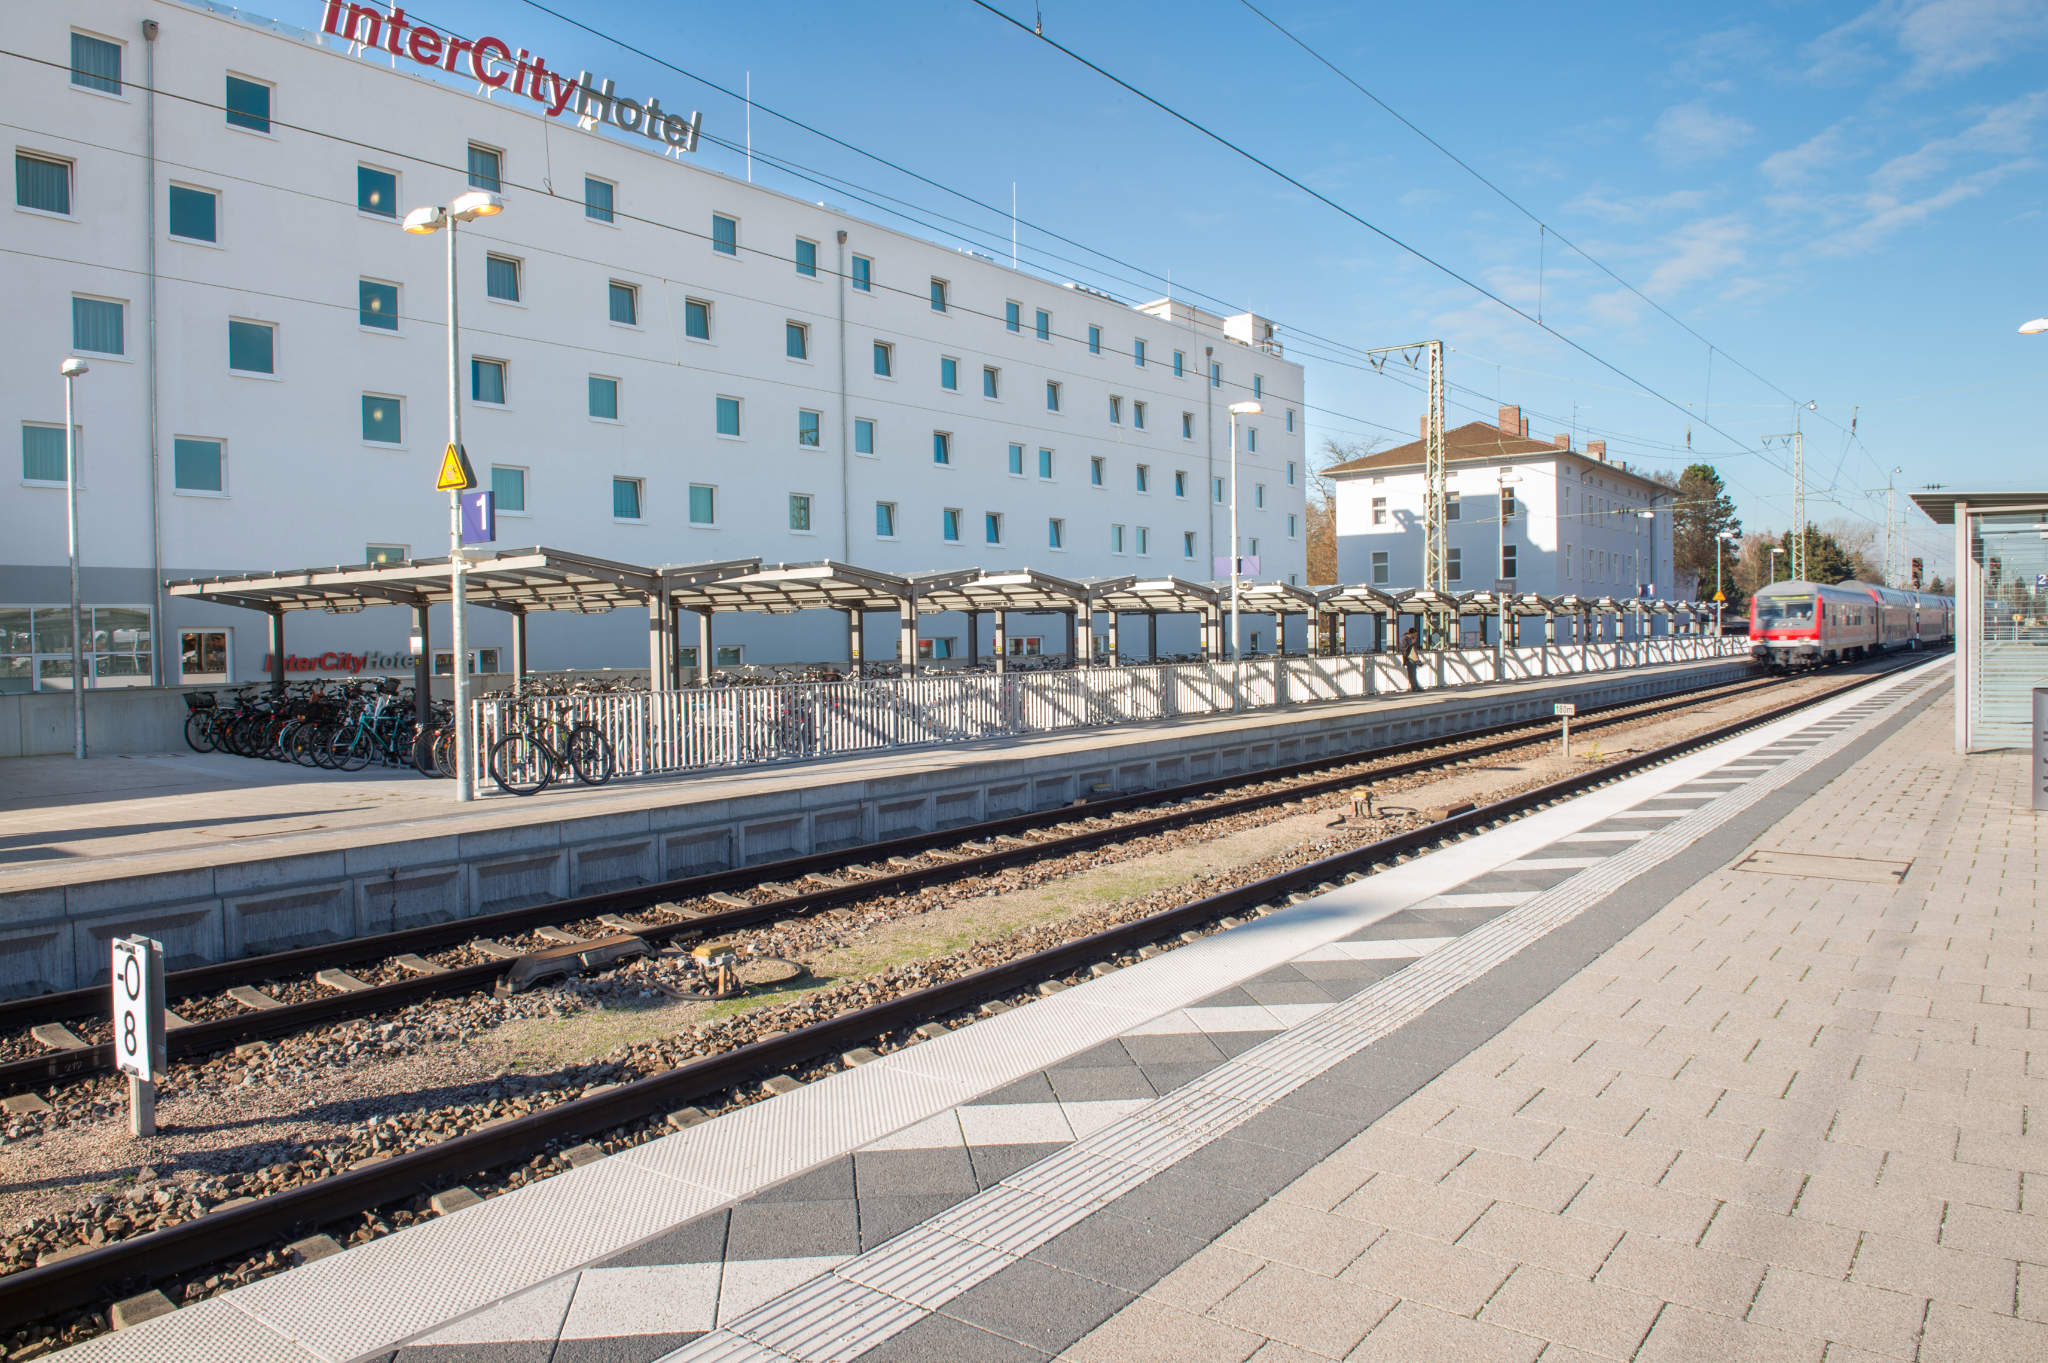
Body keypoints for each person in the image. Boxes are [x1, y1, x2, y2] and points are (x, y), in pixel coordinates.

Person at [1400, 626, 1421, 691]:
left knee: (1414, 673)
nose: (1416, 636)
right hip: (1409, 658)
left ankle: (1416, 686)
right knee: (1412, 673)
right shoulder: (1405, 639)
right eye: (1415, 634)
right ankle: (1414, 687)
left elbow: (1413, 651)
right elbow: (1404, 648)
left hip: (1413, 658)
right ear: (1412, 633)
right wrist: (1412, 643)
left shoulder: (1411, 639)